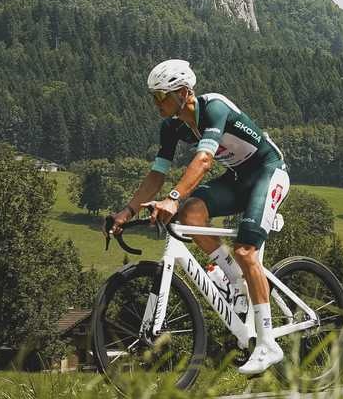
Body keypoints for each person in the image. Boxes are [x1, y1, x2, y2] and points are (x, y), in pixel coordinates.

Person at [106, 59, 292, 376]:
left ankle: (268, 344)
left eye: (161, 96)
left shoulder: (214, 108)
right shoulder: (172, 127)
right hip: (238, 179)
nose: (156, 104)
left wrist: (172, 198)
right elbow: (156, 175)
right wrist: (127, 211)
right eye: (154, 97)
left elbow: (204, 160)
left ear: (183, 92)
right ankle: (236, 277)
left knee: (245, 250)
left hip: (268, 171)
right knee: (193, 212)